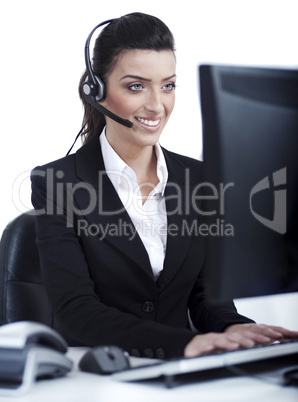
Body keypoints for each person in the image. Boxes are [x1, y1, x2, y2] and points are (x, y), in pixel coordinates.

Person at [30, 12, 298, 359]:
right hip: (99, 373)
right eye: (136, 86)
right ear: (96, 91)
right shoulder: (58, 184)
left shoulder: (200, 179)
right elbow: (76, 309)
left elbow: (204, 297)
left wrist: (235, 327)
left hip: (180, 374)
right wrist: (182, 343)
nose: (157, 105)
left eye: (168, 85)